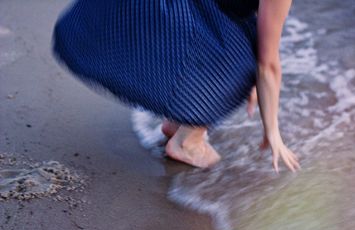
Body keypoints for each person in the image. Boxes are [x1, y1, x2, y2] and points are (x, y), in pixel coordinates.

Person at [52, 0, 301, 173]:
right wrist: (272, 131)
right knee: (244, 68)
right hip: (176, 18)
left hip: (162, 10)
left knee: (243, 46)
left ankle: (178, 120)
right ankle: (186, 143)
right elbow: (268, 65)